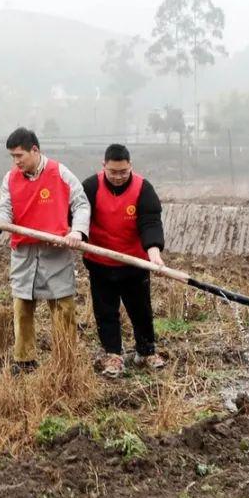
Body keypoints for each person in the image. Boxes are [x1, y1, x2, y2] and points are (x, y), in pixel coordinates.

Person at [0, 127, 90, 372]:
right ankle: (24, 360)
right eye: (12, 157)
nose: (16, 161)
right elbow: (5, 209)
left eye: (19, 155)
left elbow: (81, 204)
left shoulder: (60, 173)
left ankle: (65, 359)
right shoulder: (10, 179)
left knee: (63, 306)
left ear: (35, 150)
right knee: (22, 306)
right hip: (24, 252)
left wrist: (76, 232)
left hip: (55, 250)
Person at [82, 144, 166, 376]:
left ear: (131, 167)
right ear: (104, 166)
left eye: (123, 172)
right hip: (100, 263)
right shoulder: (90, 187)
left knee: (141, 310)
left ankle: (146, 352)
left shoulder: (143, 189)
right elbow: (78, 215)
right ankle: (113, 355)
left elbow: (150, 222)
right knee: (106, 312)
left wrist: (154, 253)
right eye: (113, 172)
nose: (118, 177)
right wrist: (76, 234)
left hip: (134, 264)